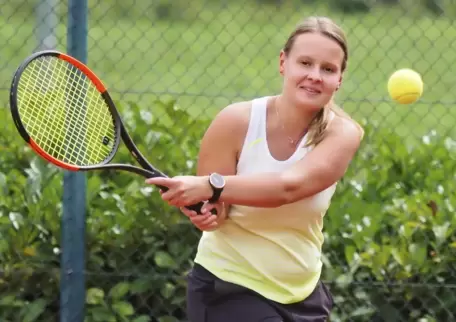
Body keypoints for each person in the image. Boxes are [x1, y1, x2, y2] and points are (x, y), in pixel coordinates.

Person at [146, 16, 364, 322]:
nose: (314, 75)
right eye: (305, 63)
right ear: (283, 62)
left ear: (339, 79)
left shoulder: (343, 134)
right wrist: (203, 210)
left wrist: (210, 186)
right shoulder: (235, 122)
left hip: (302, 293)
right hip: (230, 288)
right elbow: (217, 214)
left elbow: (289, 187)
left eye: (327, 69)